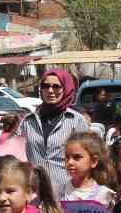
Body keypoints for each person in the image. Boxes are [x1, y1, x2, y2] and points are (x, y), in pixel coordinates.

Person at [24, 68, 92, 198]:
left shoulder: (76, 121)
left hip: (68, 193)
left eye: (56, 86)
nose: (50, 91)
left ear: (66, 88)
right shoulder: (28, 121)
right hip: (35, 193)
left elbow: (86, 159)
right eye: (46, 86)